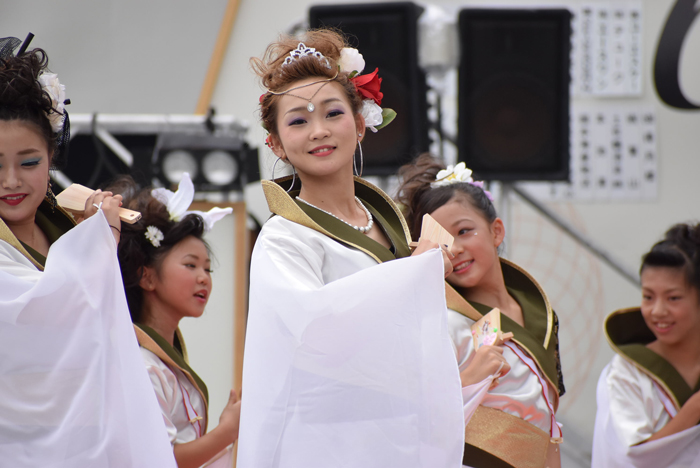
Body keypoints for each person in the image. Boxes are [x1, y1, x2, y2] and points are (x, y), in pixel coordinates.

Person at [238, 30, 468, 468]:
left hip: (399, 431)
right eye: (299, 121)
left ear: (360, 123)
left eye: (333, 113)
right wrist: (413, 274)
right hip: (329, 441)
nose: (319, 131)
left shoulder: (389, 222)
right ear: (276, 143)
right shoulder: (284, 238)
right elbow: (316, 328)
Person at [0, 37, 176, 466]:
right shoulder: (80, 241)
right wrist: (98, 242)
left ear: (52, 156)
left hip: (90, 437)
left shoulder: (64, 230)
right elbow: (36, 316)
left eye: (28, 162)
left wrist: (91, 237)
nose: (11, 181)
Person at [396, 154, 565, 468]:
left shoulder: (541, 314)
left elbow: (550, 422)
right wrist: (470, 377)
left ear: (496, 231)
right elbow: (414, 419)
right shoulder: (443, 322)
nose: (455, 249)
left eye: (464, 231)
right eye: (441, 241)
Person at [111, 173, 240, 468]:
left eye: (208, 269)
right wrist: (227, 431)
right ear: (147, 275)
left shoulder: (159, 360)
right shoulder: (144, 366)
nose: (203, 278)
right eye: (190, 265)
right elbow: (162, 458)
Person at [592, 223, 700, 467]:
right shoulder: (625, 373)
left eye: (673, 298)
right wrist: (693, 409)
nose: (658, 311)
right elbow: (629, 458)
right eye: (648, 296)